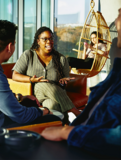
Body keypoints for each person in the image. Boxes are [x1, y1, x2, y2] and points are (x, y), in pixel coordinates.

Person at [41, 8, 121, 158]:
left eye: (120, 13)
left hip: (93, 63)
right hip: (74, 144)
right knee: (69, 60)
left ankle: (70, 107)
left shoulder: (102, 46)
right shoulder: (116, 76)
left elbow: (104, 55)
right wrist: (86, 49)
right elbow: (83, 57)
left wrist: (66, 132)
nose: (116, 20)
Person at [12, 27, 81, 124]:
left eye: (51, 39)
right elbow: (15, 75)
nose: (49, 41)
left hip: (55, 96)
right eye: (45, 39)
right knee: (41, 83)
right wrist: (32, 79)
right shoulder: (28, 55)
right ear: (38, 41)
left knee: (52, 105)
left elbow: (65, 83)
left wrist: (63, 82)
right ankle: (75, 111)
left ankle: (63, 125)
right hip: (34, 94)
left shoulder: (61, 59)